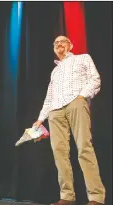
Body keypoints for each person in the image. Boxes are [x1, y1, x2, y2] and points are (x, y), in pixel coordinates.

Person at [33, 36, 105, 205]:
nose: (59, 44)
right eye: (56, 43)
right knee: (59, 153)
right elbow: (49, 97)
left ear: (70, 45)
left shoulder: (83, 58)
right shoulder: (55, 71)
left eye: (63, 41)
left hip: (76, 103)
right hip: (55, 111)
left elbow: (95, 79)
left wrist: (81, 96)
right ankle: (66, 196)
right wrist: (40, 118)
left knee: (84, 148)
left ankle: (96, 197)